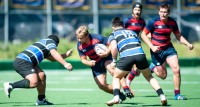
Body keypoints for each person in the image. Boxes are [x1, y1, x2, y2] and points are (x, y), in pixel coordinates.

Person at [106, 17, 167, 106]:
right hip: (140, 55)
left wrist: (114, 61)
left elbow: (114, 48)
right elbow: (138, 45)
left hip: (126, 56)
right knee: (149, 76)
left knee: (116, 77)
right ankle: (162, 96)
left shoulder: (113, 34)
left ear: (113, 27)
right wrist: (137, 63)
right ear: (123, 25)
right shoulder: (132, 32)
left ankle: (116, 97)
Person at [140, 3, 194, 100]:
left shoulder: (173, 23)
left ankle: (177, 94)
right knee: (163, 76)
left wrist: (188, 44)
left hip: (169, 49)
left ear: (169, 13)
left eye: (165, 12)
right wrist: (152, 46)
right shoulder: (153, 22)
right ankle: (152, 67)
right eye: (161, 12)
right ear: (158, 12)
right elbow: (143, 35)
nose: (163, 14)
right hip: (156, 51)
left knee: (176, 69)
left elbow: (178, 36)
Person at [3, 35, 73, 105]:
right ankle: (10, 85)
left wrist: (66, 55)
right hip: (23, 61)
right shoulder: (50, 41)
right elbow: (54, 53)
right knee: (33, 82)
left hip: (28, 62)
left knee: (42, 75)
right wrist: (65, 64)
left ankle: (41, 100)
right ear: (56, 43)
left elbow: (52, 58)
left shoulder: (44, 44)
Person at [76, 25, 133, 103]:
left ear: (87, 36)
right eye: (77, 37)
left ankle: (126, 89)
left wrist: (106, 53)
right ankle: (119, 94)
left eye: (80, 38)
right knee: (102, 85)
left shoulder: (97, 38)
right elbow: (83, 59)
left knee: (113, 71)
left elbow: (111, 45)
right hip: (95, 63)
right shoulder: (79, 45)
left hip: (105, 58)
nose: (79, 40)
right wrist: (88, 62)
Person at [123, 2, 146, 89]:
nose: (137, 11)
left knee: (137, 71)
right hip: (127, 47)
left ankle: (126, 84)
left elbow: (145, 33)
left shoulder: (142, 21)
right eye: (135, 9)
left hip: (137, 46)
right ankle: (125, 86)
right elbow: (120, 31)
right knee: (131, 69)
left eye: (139, 10)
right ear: (132, 10)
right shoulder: (127, 21)